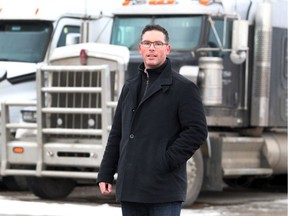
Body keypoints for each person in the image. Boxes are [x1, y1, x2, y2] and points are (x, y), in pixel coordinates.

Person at [97, 24, 208, 216]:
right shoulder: (130, 87)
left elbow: (197, 131)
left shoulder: (183, 88)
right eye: (147, 43)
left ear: (167, 49)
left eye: (158, 44)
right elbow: (117, 133)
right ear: (140, 48)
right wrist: (106, 172)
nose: (152, 48)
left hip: (163, 189)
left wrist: (165, 160)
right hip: (131, 187)